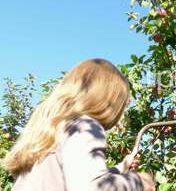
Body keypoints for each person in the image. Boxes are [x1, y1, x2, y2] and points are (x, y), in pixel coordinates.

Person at [1, 58, 155, 191]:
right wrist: (139, 181)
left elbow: (77, 179)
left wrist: (122, 166)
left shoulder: (54, 131)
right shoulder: (83, 127)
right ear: (108, 100)